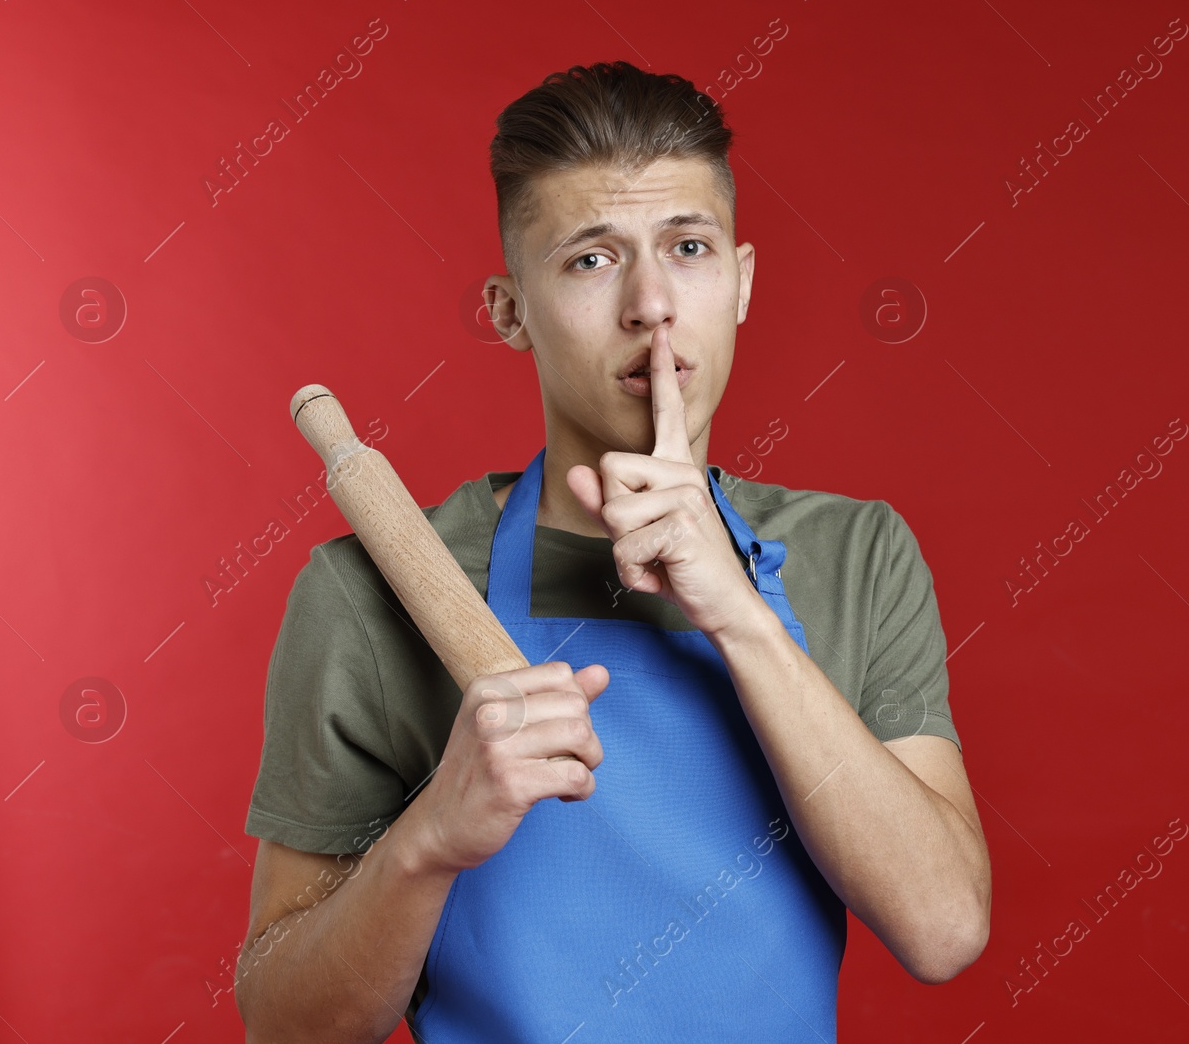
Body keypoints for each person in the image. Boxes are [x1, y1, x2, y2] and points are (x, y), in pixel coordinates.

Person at [236, 60, 990, 1043]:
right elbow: (284, 1023)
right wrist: (426, 842)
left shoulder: (855, 555)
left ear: (742, 282)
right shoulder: (371, 592)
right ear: (510, 310)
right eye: (591, 259)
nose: (651, 305)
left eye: (687, 247)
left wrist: (739, 615)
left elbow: (943, 928)